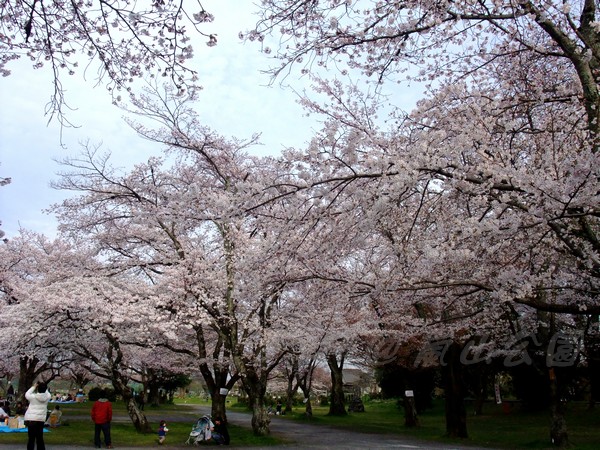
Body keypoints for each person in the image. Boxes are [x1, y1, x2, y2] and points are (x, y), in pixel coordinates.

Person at [24, 381, 51, 450]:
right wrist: (44, 386)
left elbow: (27, 394)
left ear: (38, 388)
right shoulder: (47, 397)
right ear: (45, 389)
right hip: (41, 420)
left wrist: (34, 386)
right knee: (40, 438)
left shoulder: (33, 397)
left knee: (31, 439)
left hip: (32, 420)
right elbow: (47, 392)